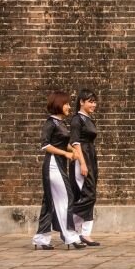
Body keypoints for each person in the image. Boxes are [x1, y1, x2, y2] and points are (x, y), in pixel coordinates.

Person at [32, 91, 86, 250]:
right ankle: (70, 236)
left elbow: (63, 143)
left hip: (59, 165)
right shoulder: (50, 123)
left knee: (49, 202)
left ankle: (41, 238)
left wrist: (73, 151)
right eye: (67, 103)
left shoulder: (61, 123)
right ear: (58, 104)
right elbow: (45, 145)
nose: (69, 106)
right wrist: (66, 153)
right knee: (68, 197)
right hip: (52, 166)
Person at [69, 89, 101, 246]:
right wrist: (82, 163)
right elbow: (75, 143)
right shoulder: (77, 120)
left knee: (91, 194)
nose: (93, 104)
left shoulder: (89, 119)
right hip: (82, 158)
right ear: (81, 102)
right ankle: (68, 223)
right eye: (90, 101)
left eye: (94, 101)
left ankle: (85, 233)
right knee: (87, 195)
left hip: (91, 157)